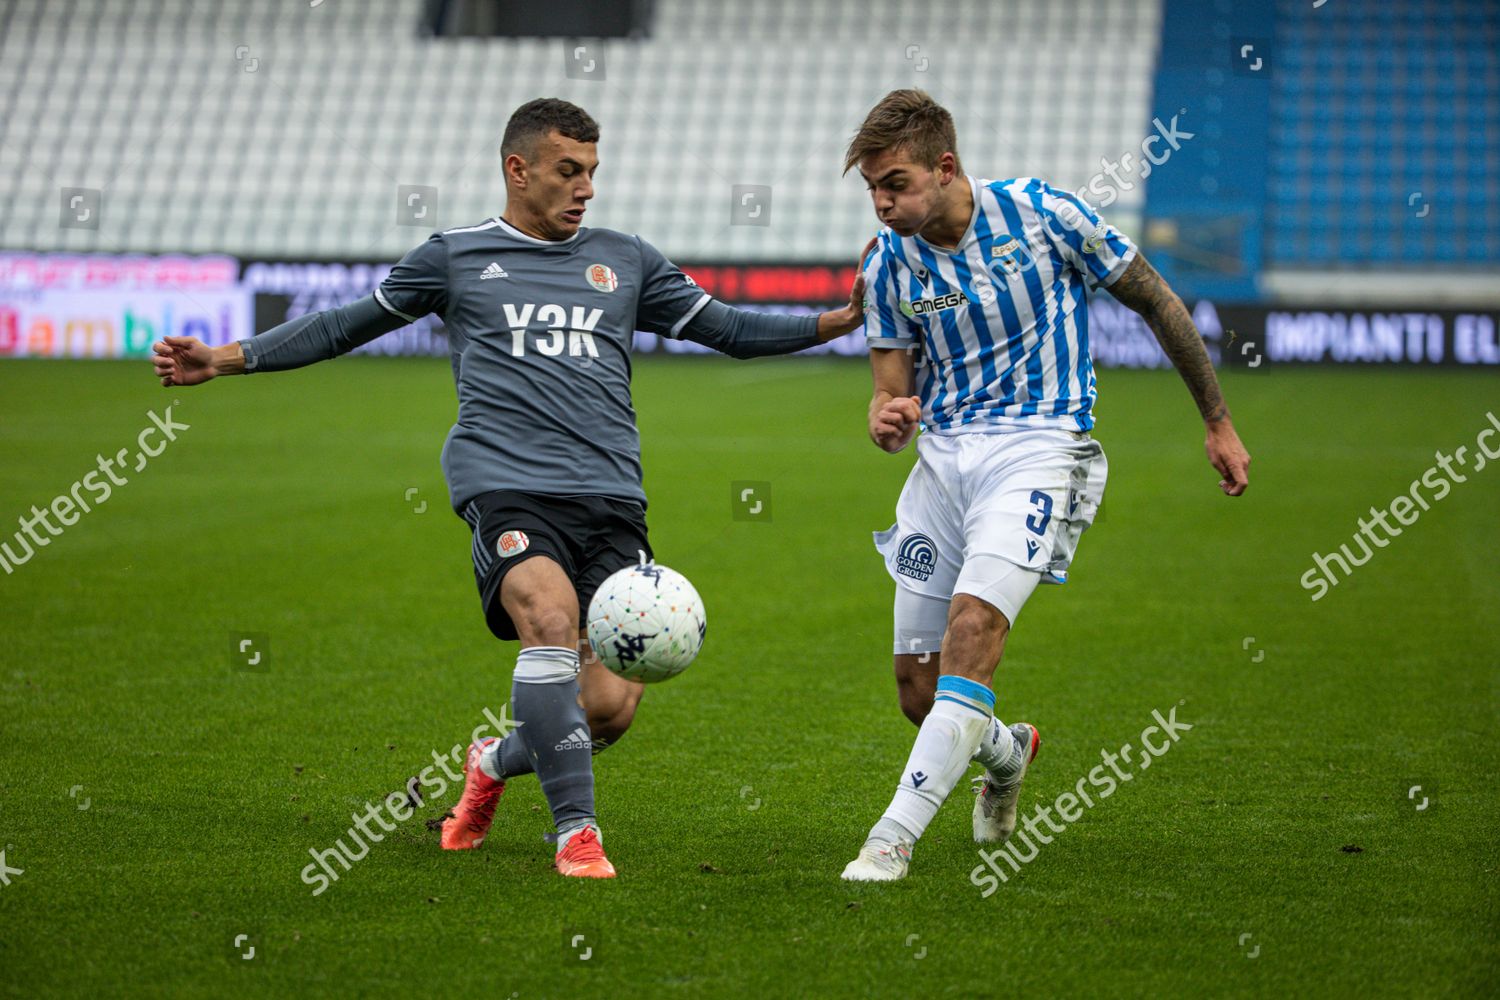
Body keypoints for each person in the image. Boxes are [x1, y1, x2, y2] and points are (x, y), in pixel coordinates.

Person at [153, 97, 867, 879]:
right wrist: (222, 360)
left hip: (610, 497)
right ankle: (577, 835)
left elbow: (726, 329)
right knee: (550, 620)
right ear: (518, 170)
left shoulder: (625, 258)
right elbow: (341, 326)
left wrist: (834, 322)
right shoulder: (455, 257)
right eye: (569, 170)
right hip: (506, 486)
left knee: (607, 707)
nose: (586, 186)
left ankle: (492, 763)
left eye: (593, 171)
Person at [839, 90, 1251, 881]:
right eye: (873, 190)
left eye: (894, 183)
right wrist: (887, 418)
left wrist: (1218, 421)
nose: (883, 203)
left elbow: (1157, 300)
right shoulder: (890, 263)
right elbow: (888, 387)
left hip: (1038, 449)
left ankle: (890, 838)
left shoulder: (1044, 216)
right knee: (919, 694)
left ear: (946, 167)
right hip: (944, 463)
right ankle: (1008, 752)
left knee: (973, 634)